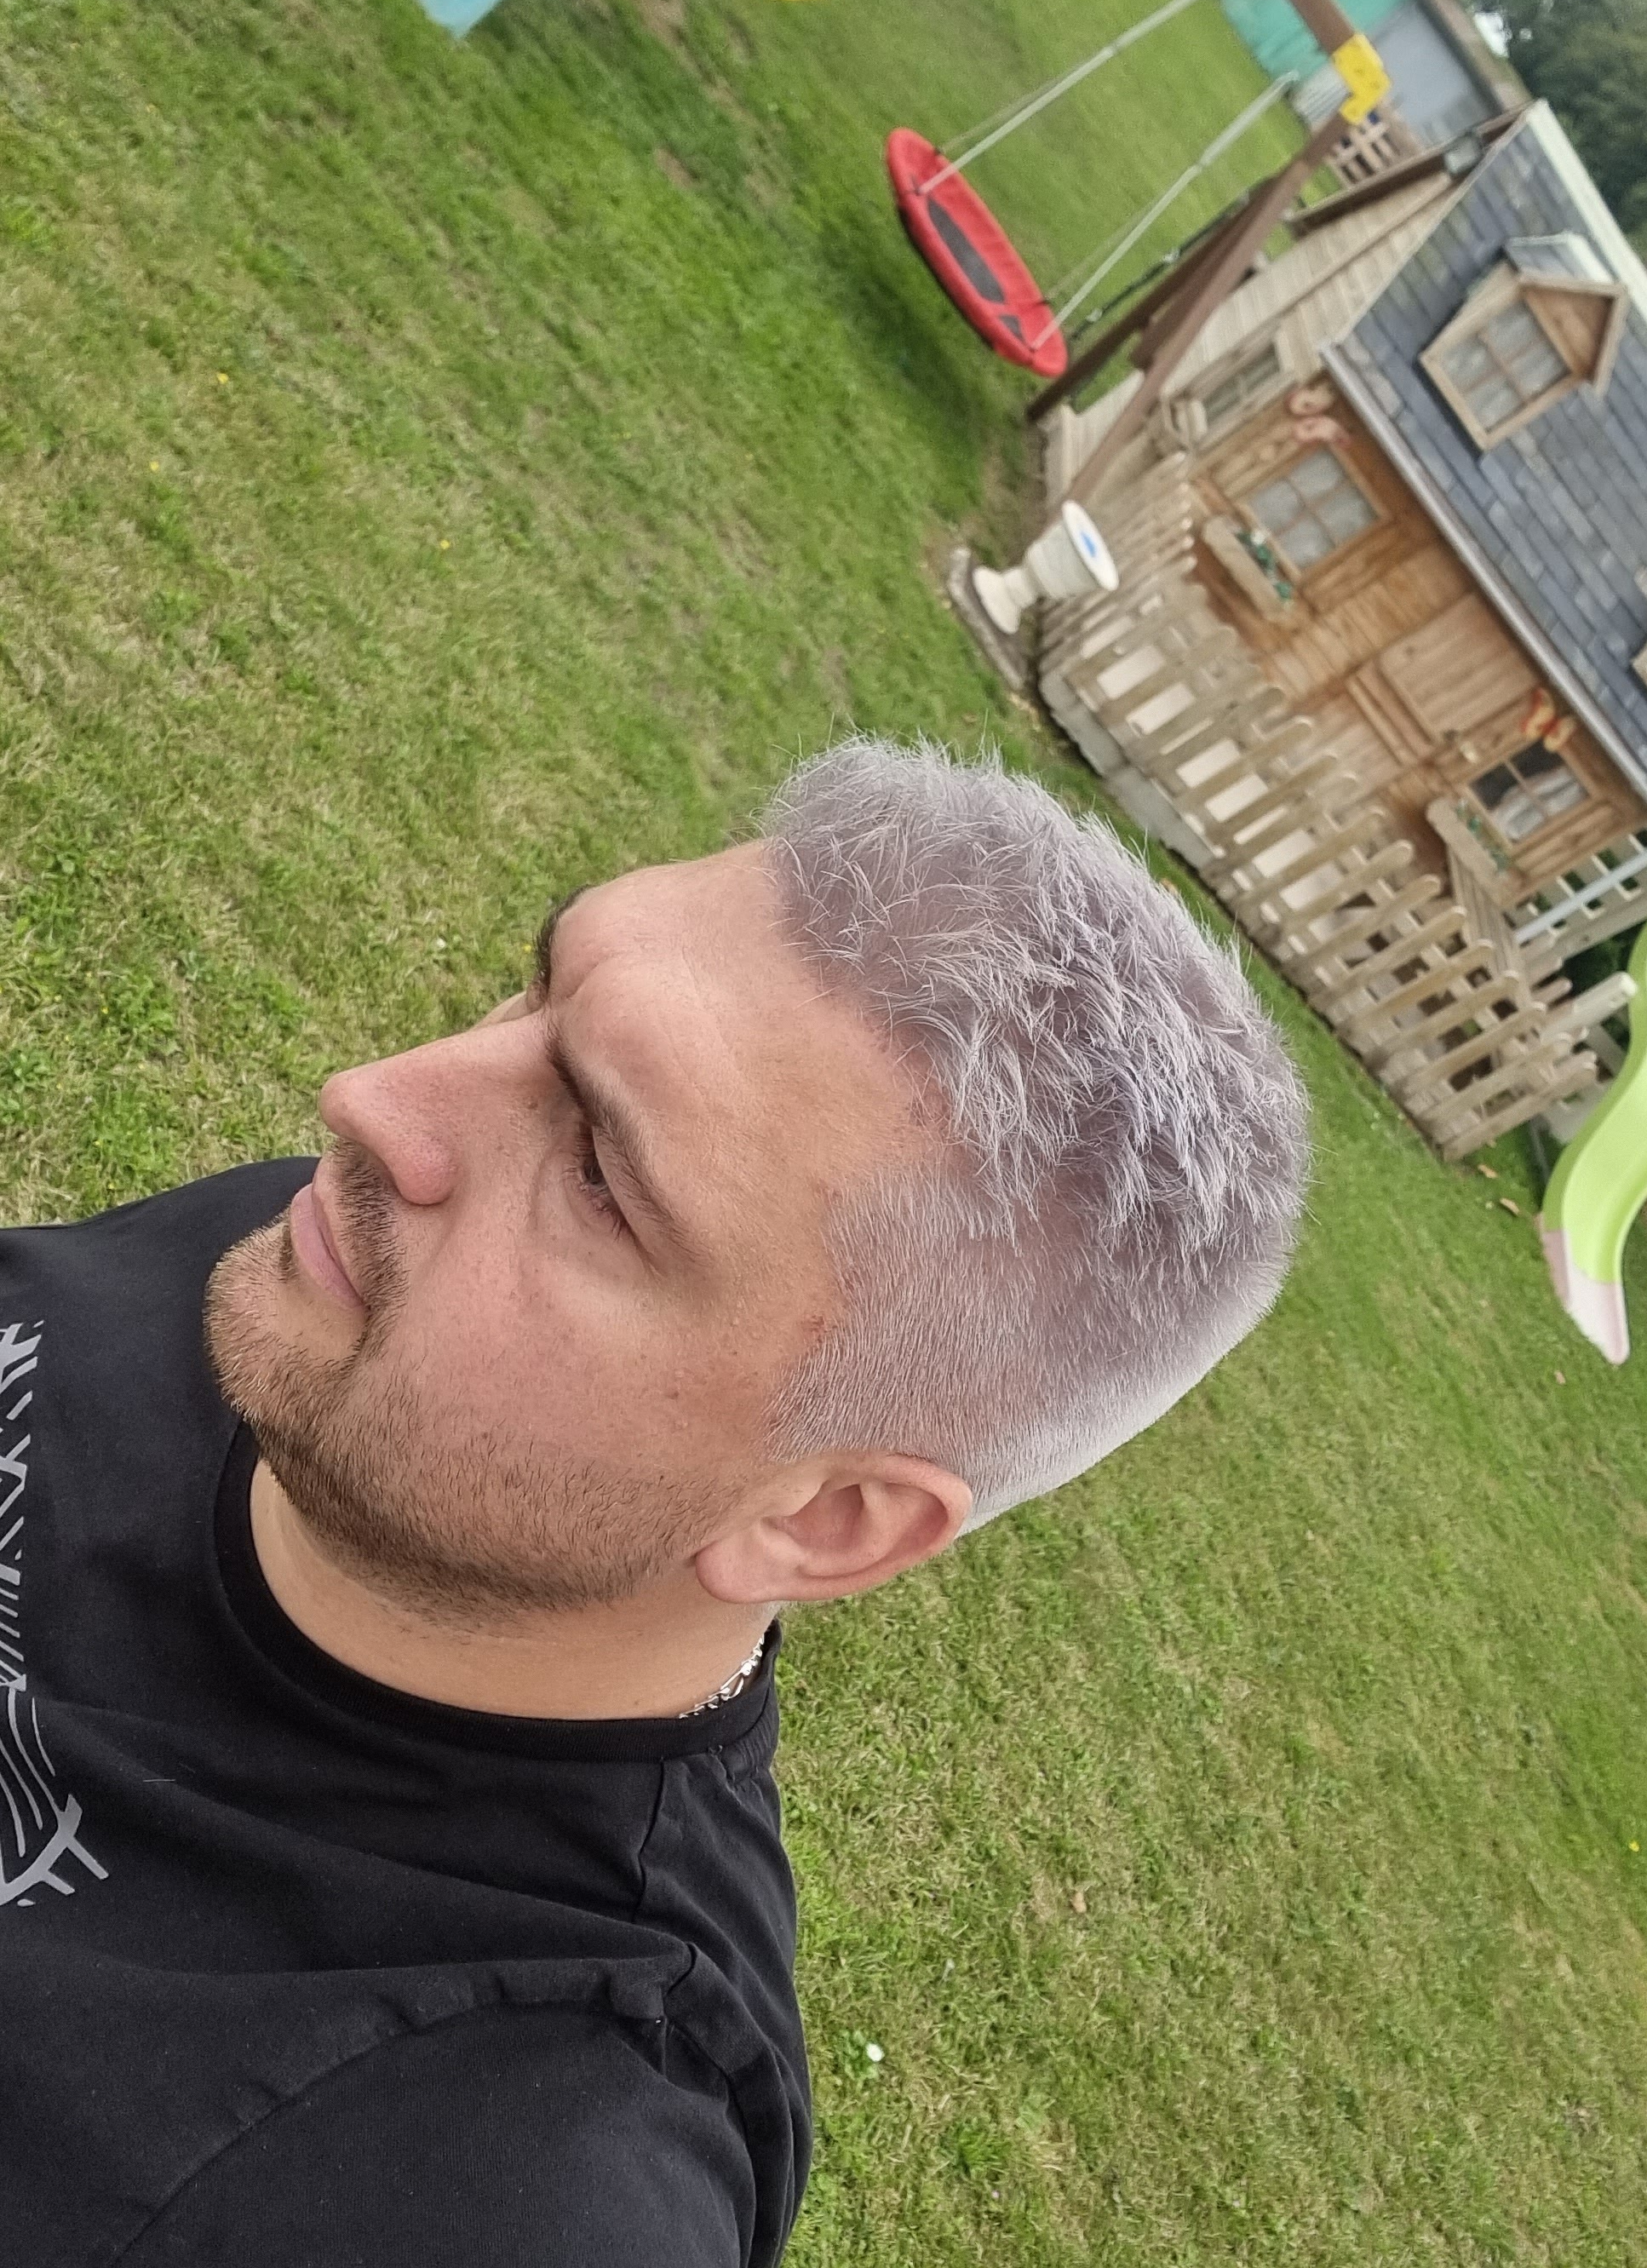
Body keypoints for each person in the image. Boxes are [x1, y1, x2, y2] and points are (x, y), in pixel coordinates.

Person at [1, 738, 1308, 2266]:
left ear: (823, 1520)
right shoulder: (329, 1293)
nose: (373, 1103)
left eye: (600, 1178)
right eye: (537, 992)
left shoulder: (498, 2179)